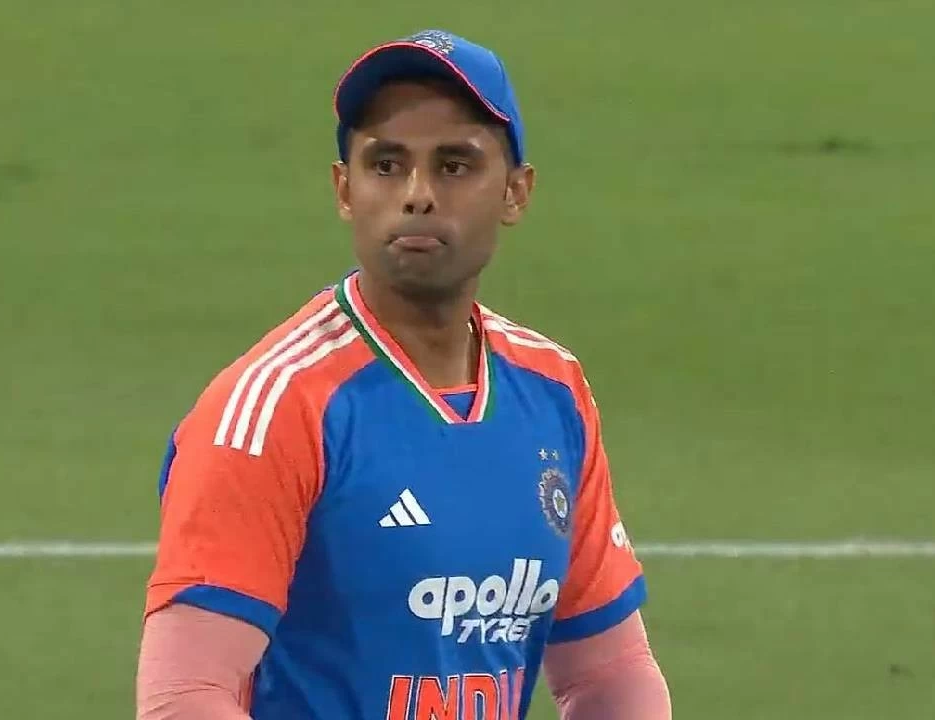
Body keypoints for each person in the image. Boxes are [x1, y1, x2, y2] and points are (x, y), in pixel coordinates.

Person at [135, 29, 672, 720]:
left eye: (454, 165)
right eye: (386, 165)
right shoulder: (277, 409)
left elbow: (609, 673)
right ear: (345, 190)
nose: (417, 194)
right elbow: (185, 697)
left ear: (515, 192)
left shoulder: (552, 391)